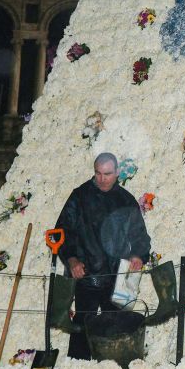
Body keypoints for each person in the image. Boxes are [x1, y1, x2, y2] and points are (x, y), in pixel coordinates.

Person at [53, 153, 151, 358]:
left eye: (107, 174)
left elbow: (140, 236)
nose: (102, 179)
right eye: (98, 173)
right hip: (85, 274)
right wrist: (71, 260)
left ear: (117, 173)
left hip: (116, 278)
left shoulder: (126, 200)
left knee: (115, 332)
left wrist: (138, 256)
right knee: (81, 330)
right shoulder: (79, 197)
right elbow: (62, 231)